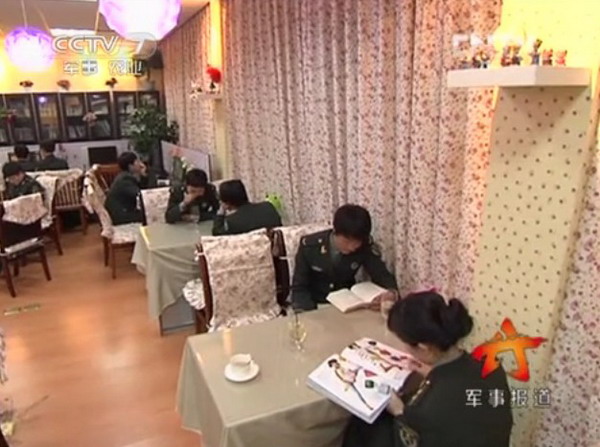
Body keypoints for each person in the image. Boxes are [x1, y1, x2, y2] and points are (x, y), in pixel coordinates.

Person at [343, 291, 513, 447]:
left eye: (405, 343)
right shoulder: (491, 365)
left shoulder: (424, 410)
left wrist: (399, 411)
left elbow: (411, 436)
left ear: (424, 347)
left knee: (367, 423)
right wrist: (431, 373)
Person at [291, 204, 397, 311]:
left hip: (348, 305)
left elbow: (382, 274)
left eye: (357, 242)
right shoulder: (310, 246)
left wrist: (391, 293)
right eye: (347, 241)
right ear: (335, 232)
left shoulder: (364, 247)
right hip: (317, 304)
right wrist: (307, 313)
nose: (351, 247)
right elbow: (299, 287)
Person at [212, 179, 282, 235]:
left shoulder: (232, 222)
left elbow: (217, 233)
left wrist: (220, 213)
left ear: (227, 202)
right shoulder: (268, 206)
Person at [105, 152, 147, 225]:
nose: (140, 164)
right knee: (151, 215)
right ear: (130, 166)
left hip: (123, 211)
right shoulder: (125, 180)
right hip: (122, 215)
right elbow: (141, 195)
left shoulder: (124, 176)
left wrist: (142, 175)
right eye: (137, 161)